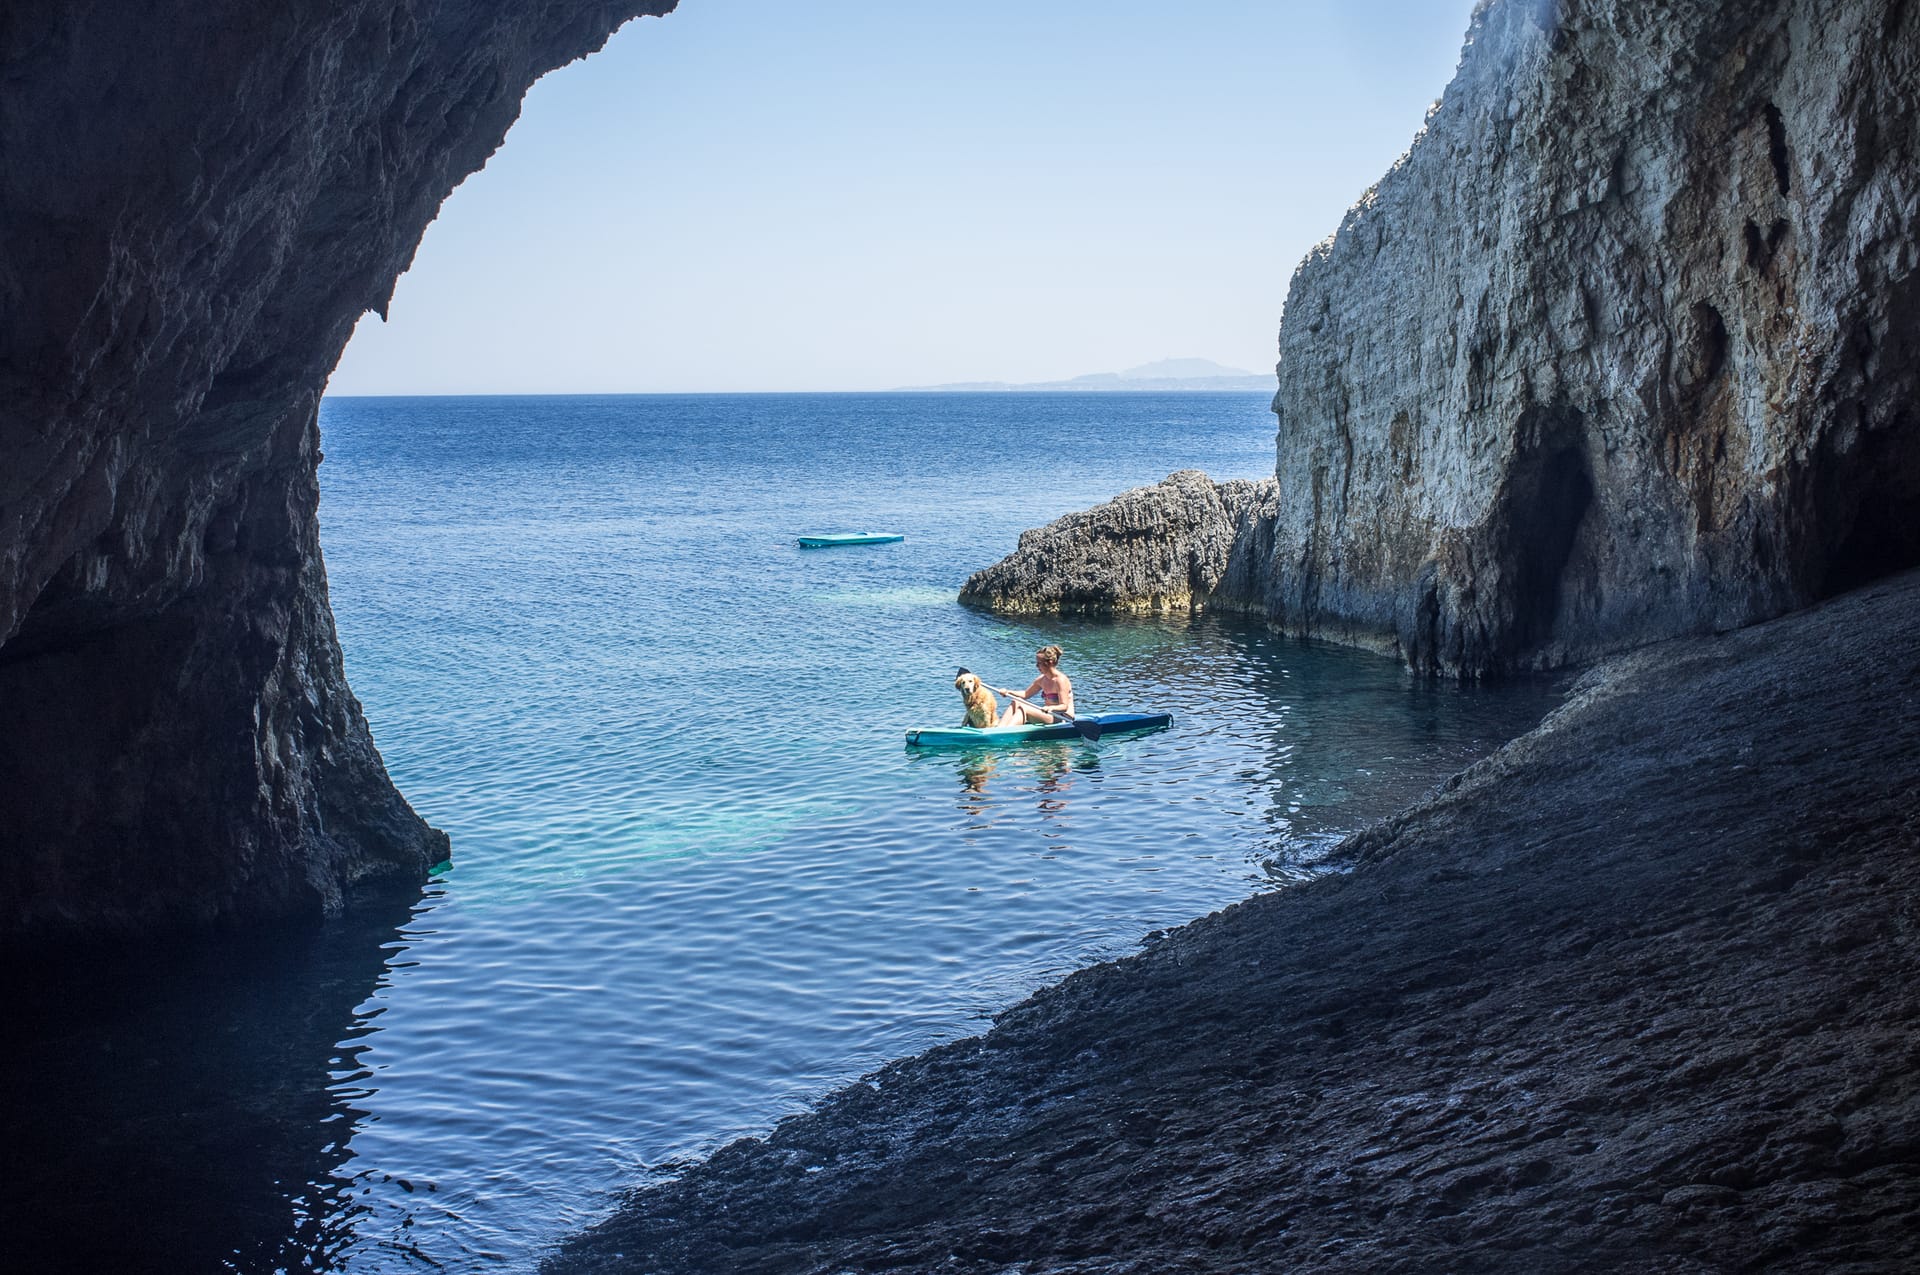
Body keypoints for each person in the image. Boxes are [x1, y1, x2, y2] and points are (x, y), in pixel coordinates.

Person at [996, 644, 1075, 726]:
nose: (1036, 666)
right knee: (1016, 701)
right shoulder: (1042, 679)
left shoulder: (1061, 680)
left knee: (1024, 708)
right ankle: (999, 729)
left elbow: (1064, 706)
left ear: (1049, 663)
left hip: (1063, 718)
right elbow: (1025, 694)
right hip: (1049, 715)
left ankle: (1007, 732)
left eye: (1039, 663)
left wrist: (1050, 708)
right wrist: (1008, 692)